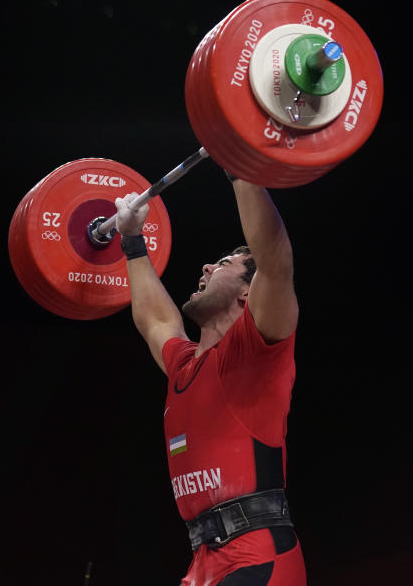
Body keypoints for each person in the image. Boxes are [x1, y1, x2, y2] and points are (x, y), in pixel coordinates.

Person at [113, 169, 307, 585]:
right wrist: (131, 240)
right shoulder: (184, 366)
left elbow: (276, 262)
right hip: (204, 563)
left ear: (247, 292)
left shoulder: (255, 354)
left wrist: (240, 168)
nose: (204, 265)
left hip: (258, 557)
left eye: (222, 264)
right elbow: (154, 319)